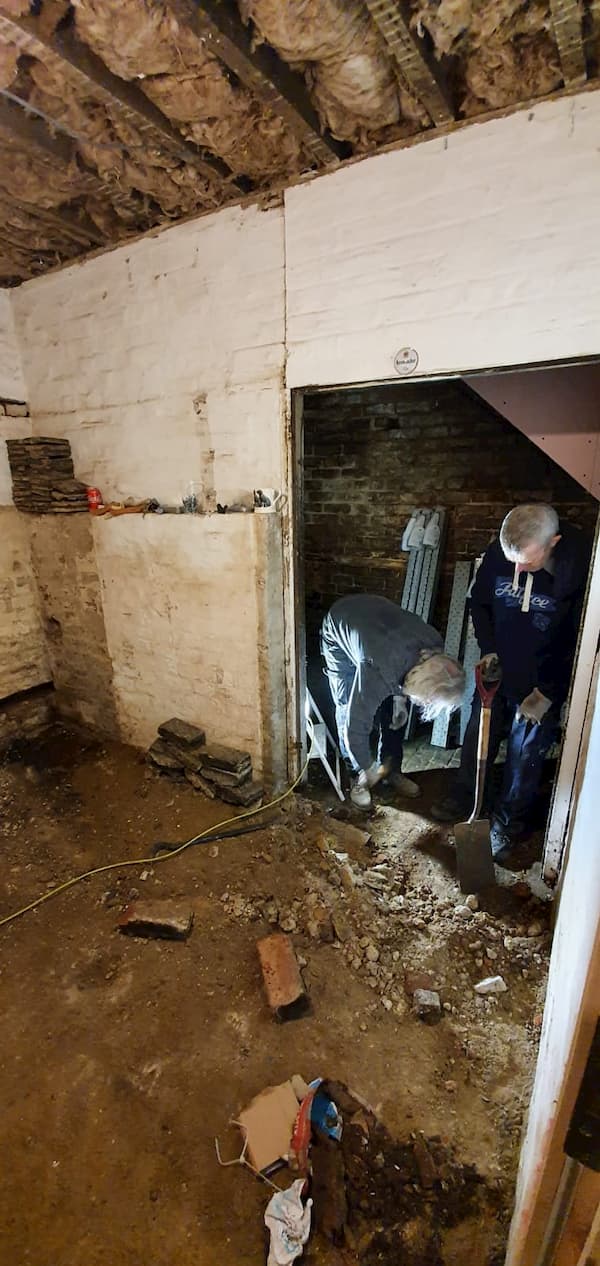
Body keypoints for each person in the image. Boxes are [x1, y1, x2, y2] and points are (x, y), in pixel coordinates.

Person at [431, 503, 592, 860]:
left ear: (554, 542)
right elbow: (480, 604)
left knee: (525, 754)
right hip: (499, 670)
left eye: (528, 561)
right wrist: (489, 649)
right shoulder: (499, 554)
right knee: (478, 736)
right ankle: (468, 797)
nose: (517, 569)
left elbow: (581, 637)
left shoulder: (580, 569)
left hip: (542, 680)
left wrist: (550, 690)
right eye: (512, 560)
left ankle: (507, 823)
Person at [320, 594, 466, 808]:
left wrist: (400, 702)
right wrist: (367, 767)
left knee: (394, 712)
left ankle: (391, 771)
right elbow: (355, 727)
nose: (426, 704)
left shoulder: (434, 644)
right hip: (341, 624)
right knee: (346, 704)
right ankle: (357, 775)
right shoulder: (377, 670)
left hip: (377, 619)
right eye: (429, 699)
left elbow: (407, 675)